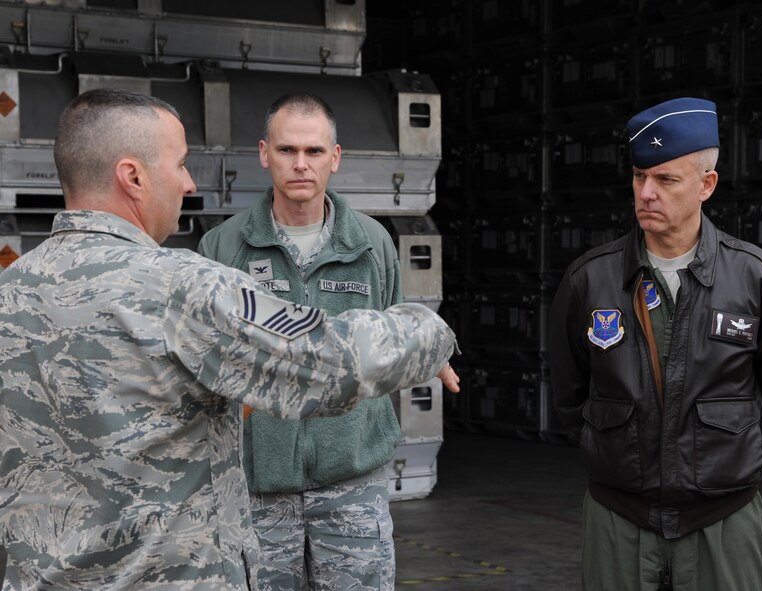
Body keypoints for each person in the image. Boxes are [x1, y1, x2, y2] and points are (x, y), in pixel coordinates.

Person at [0, 88, 457, 591]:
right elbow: (321, 361)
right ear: (133, 177)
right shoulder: (184, 285)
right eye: (180, 165)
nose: (190, 182)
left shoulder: (10, 292)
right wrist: (426, 331)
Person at [549, 97, 762, 590]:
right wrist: (614, 450)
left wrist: (723, 453)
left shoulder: (756, 278)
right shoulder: (590, 279)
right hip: (619, 514)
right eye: (639, 176)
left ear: (706, 185)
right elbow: (567, 392)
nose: (647, 192)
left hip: (724, 516)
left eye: (666, 180)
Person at [199, 92, 458, 591]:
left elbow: (395, 342)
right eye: (287, 150)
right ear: (263, 153)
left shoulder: (371, 244)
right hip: (256, 490)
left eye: (314, 151)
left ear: (335, 158)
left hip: (352, 488)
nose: (301, 164)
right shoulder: (223, 247)